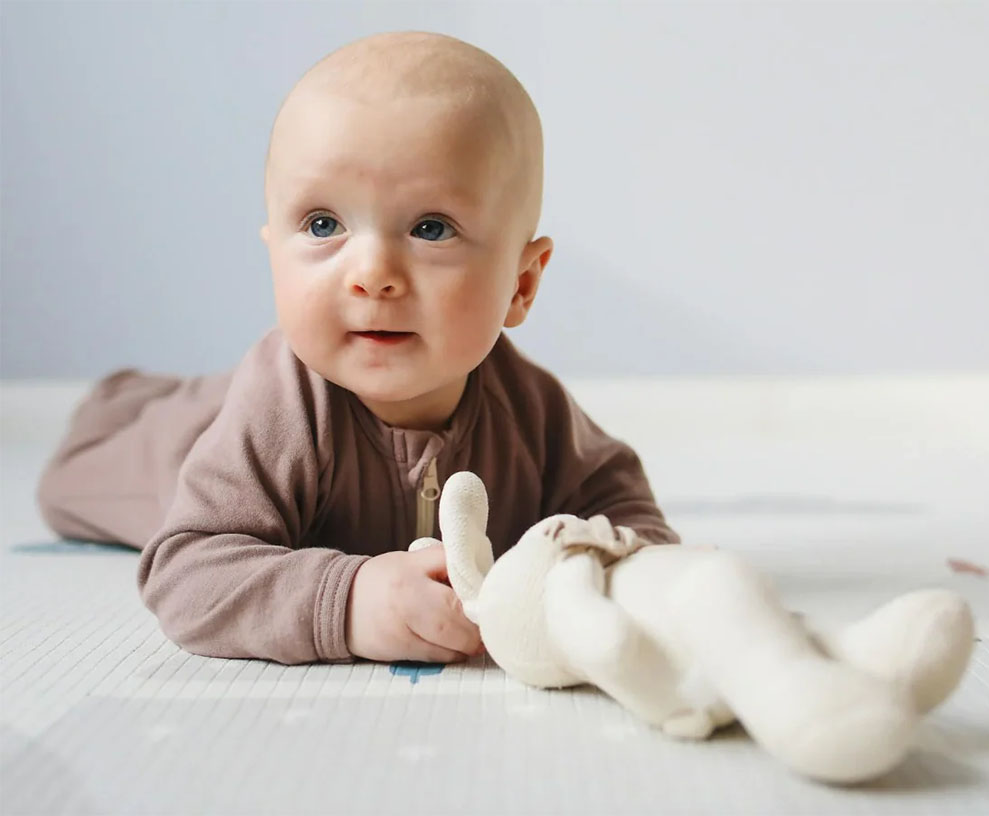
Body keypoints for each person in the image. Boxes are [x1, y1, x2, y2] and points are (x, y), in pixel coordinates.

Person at [35, 31, 679, 668]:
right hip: (162, 446)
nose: (371, 272)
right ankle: (123, 399)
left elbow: (626, 511)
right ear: (274, 255)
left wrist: (606, 576)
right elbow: (186, 574)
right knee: (75, 481)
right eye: (323, 225)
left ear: (521, 283)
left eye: (431, 228)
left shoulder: (529, 411)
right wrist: (347, 602)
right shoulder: (283, 407)